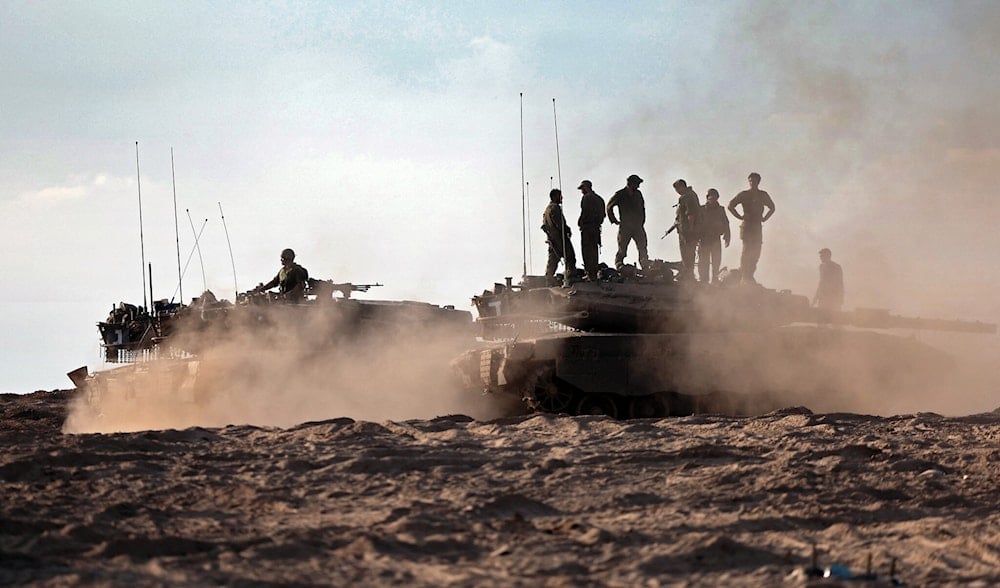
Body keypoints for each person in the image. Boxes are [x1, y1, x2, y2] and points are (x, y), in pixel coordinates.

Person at [727, 172, 775, 284]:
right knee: (747, 251)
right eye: (751, 181)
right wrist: (740, 216)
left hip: (757, 226)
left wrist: (764, 218)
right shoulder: (744, 194)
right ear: (749, 181)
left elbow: (772, 207)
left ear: (758, 182)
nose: (752, 183)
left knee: (756, 252)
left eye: (754, 181)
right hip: (747, 225)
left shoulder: (763, 195)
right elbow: (730, 205)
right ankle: (745, 276)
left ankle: (750, 275)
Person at [606, 174, 650, 270]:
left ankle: (645, 266)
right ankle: (619, 265)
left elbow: (643, 208)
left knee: (642, 246)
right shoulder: (620, 194)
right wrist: (613, 220)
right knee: (622, 247)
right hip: (625, 226)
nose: (638, 186)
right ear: (630, 184)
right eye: (636, 184)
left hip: (638, 226)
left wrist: (642, 221)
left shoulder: (638, 194)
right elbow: (609, 206)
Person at [542, 188, 577, 286]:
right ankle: (570, 279)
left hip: (552, 239)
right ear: (554, 197)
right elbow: (559, 224)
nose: (562, 198)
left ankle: (548, 280)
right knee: (570, 257)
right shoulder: (554, 208)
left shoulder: (547, 210)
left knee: (553, 260)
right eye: (559, 196)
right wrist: (566, 229)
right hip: (560, 238)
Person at [672, 179, 702, 281]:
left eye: (678, 189)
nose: (677, 191)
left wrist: (690, 229)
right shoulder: (692, 195)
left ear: (682, 187)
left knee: (687, 253)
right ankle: (688, 274)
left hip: (687, 231)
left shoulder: (687, 197)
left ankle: (688, 275)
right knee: (689, 253)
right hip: (689, 230)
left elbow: (690, 214)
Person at [699, 188, 731, 284]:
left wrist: (727, 237)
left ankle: (715, 279)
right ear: (707, 197)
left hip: (715, 239)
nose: (712, 199)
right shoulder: (701, 209)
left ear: (717, 198)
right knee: (703, 261)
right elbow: (696, 224)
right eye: (710, 196)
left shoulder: (720, 210)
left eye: (714, 197)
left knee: (716, 261)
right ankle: (704, 280)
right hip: (704, 239)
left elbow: (726, 223)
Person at [577, 180, 606, 281]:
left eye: (582, 189)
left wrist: (580, 222)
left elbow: (584, 212)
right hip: (596, 228)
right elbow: (603, 215)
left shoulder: (586, 198)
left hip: (587, 228)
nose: (581, 191)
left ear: (586, 187)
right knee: (594, 251)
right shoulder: (599, 199)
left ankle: (590, 274)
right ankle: (593, 273)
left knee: (587, 251)